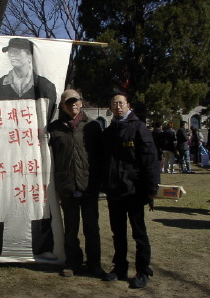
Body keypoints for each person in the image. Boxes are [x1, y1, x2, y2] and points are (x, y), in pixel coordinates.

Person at [47, 89, 116, 281]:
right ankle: (73, 262)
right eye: (68, 102)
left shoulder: (92, 126)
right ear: (63, 106)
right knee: (70, 227)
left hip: (89, 185)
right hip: (67, 185)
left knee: (91, 227)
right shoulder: (54, 129)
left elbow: (101, 156)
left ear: (81, 102)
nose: (73, 105)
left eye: (75, 101)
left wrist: (101, 182)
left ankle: (94, 264)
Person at [100, 92, 160, 289]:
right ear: (110, 108)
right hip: (114, 191)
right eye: (114, 103)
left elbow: (150, 160)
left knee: (139, 233)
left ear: (128, 105)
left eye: (121, 103)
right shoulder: (109, 131)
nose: (118, 107)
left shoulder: (139, 128)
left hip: (134, 191)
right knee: (118, 232)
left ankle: (143, 271)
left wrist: (151, 189)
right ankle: (120, 267)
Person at [0, 38, 57, 122]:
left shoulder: (46, 86)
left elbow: (49, 118)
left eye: (16, 52)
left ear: (29, 56)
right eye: (9, 52)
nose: (11, 55)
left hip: (35, 134)